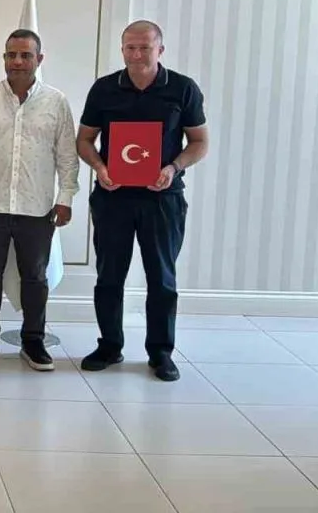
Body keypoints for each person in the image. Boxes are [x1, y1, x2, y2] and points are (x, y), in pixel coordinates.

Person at [77, 20, 209, 382]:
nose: (136, 55)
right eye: (130, 48)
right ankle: (109, 345)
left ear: (160, 50)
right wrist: (99, 167)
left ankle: (161, 352)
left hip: (162, 199)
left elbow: (199, 141)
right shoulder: (104, 88)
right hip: (113, 198)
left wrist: (173, 167)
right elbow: (84, 140)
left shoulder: (182, 88)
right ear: (122, 50)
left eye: (145, 48)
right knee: (109, 276)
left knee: (162, 279)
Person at [0, 29, 79, 371]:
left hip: (37, 207)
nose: (18, 62)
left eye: (26, 55)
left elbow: (67, 156)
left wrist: (65, 197)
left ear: (39, 59)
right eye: (11, 55)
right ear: (4, 58)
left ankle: (33, 340)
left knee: (35, 277)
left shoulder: (56, 101)